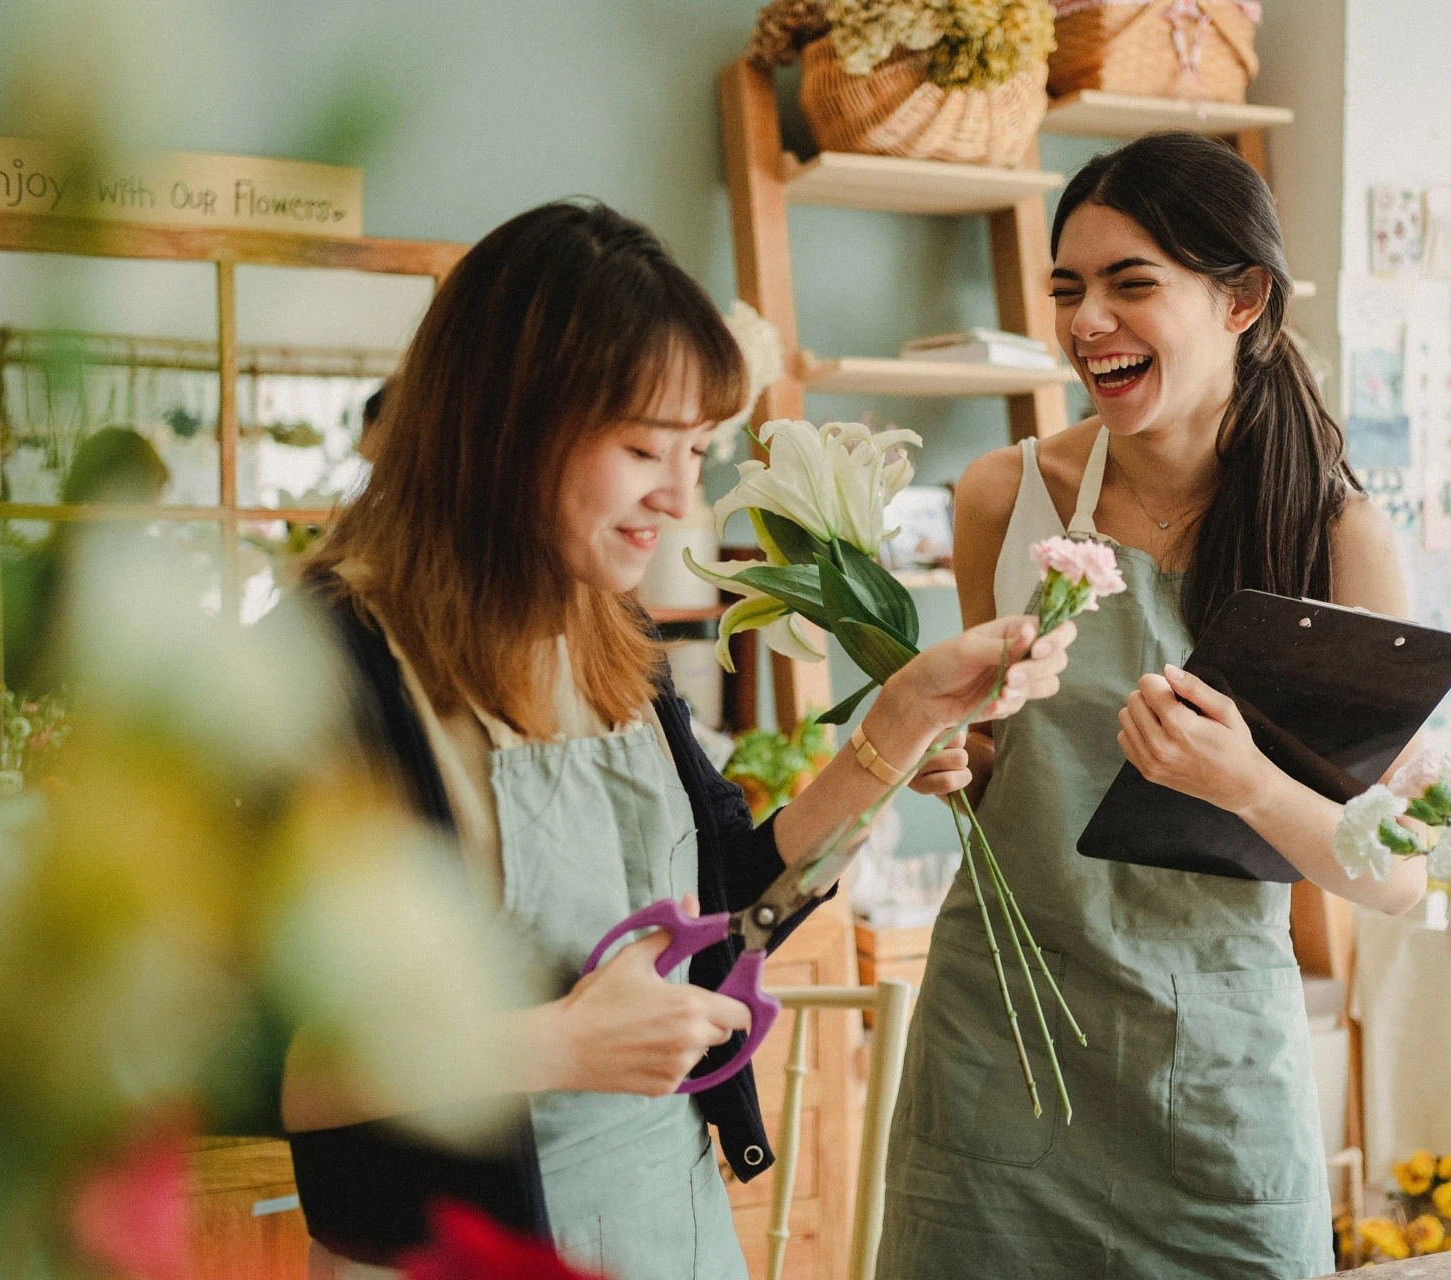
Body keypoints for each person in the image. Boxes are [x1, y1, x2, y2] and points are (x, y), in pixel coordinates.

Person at [279, 200, 1075, 1280]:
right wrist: (556, 1042)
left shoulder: (609, 632)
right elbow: (250, 1063)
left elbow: (732, 908)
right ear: (509, 421)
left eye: (695, 449)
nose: (679, 493)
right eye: (643, 447)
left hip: (668, 1228)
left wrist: (902, 719)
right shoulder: (334, 663)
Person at [877, 132, 1429, 1279]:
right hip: (1003, 1053)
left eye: (1133, 284)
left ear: (1243, 298)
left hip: (1214, 1084)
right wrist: (949, 754)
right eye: (1068, 288)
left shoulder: (1335, 539)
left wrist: (1247, 783)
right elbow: (998, 753)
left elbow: (1400, 874)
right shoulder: (1004, 495)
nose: (1086, 322)